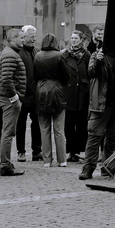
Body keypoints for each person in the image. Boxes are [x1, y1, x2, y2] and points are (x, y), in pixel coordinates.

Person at [79, 25, 115, 181]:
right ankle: (88, 168)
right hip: (100, 103)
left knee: (112, 137)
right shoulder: (95, 55)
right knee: (94, 136)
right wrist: (98, 61)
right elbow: (91, 73)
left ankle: (108, 167)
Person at [33, 33, 70, 166]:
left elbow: (35, 75)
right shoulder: (60, 55)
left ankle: (47, 160)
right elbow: (66, 75)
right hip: (57, 90)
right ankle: (62, 160)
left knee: (44, 128)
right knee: (59, 129)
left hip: (42, 90)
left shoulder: (37, 56)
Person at [0, 29, 28, 176]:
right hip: (10, 99)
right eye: (21, 37)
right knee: (8, 132)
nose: (24, 40)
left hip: (9, 97)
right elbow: (6, 79)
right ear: (13, 38)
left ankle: (6, 163)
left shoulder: (10, 53)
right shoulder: (10, 54)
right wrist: (15, 97)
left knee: (8, 131)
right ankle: (5, 165)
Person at [63, 31, 91, 162]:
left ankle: (80, 150)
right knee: (68, 125)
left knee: (81, 124)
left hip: (82, 93)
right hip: (69, 93)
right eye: (72, 38)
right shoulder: (65, 54)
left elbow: (90, 72)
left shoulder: (86, 55)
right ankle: (71, 151)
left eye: (76, 38)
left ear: (81, 40)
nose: (73, 40)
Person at [15, 25, 41, 163]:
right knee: (21, 125)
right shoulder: (18, 52)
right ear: (23, 38)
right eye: (31, 37)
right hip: (22, 93)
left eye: (35, 37)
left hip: (35, 94)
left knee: (37, 124)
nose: (34, 40)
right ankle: (21, 151)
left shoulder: (37, 52)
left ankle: (37, 151)